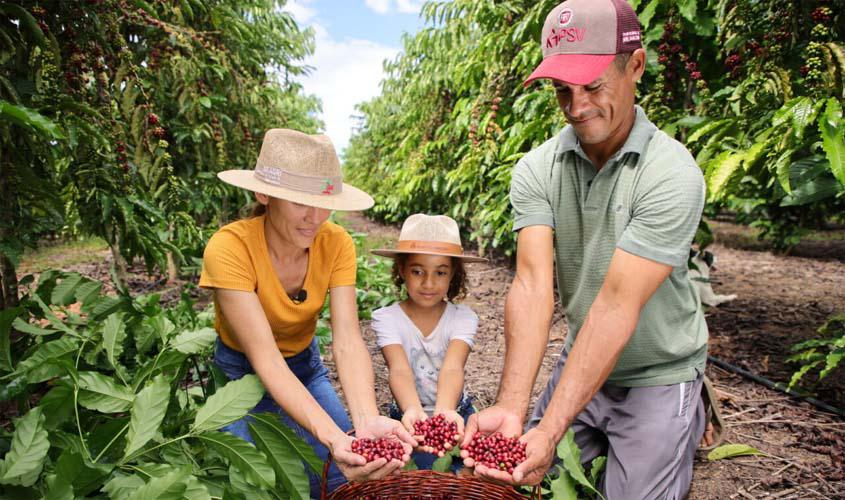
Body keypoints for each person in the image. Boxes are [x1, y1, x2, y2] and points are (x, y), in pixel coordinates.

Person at [461, 0, 714, 497]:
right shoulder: (536, 169)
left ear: (635, 66)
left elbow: (616, 306)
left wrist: (551, 429)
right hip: (582, 358)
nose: (577, 108)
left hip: (658, 371)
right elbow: (533, 285)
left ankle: (687, 413)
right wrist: (513, 406)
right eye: (562, 91)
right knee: (522, 478)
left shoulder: (671, 174)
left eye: (594, 86)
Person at [199, 129, 415, 498]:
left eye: (323, 202)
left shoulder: (336, 243)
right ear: (264, 194)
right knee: (250, 484)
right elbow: (265, 359)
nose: (314, 218)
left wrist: (363, 421)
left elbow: (347, 339)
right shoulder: (230, 249)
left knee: (337, 478)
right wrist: (333, 437)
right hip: (238, 375)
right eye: (300, 202)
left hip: (303, 365)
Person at [370, 214, 486, 470]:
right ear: (402, 269)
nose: (429, 283)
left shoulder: (462, 318)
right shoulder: (387, 319)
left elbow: (453, 366)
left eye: (440, 272)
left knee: (465, 475)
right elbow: (398, 368)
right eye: (417, 271)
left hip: (456, 412)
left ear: (453, 273)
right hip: (408, 416)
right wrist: (412, 410)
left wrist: (444, 412)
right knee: (419, 479)